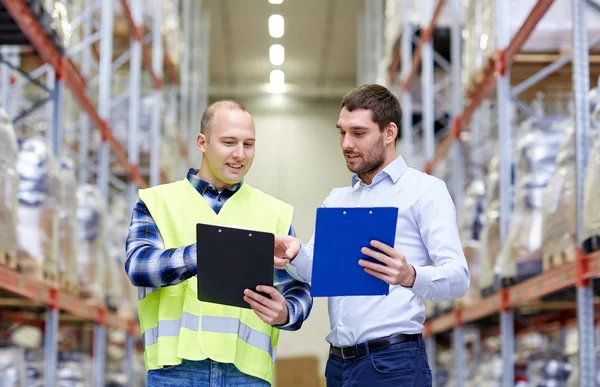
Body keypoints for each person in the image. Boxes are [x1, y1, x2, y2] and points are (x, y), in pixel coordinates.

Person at [274, 84, 470, 386]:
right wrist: (296, 251)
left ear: (389, 133)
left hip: (394, 364)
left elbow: (458, 277)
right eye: (342, 132)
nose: (346, 143)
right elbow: (319, 271)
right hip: (338, 365)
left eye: (358, 133)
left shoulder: (425, 191)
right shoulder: (338, 200)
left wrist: (410, 275)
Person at [125, 100, 313, 387]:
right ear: (202, 142)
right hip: (175, 372)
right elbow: (139, 266)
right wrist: (209, 252)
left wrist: (287, 312)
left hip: (247, 374)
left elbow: (298, 288)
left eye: (248, 144)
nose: (240, 154)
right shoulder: (158, 202)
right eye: (229, 142)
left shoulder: (273, 212)